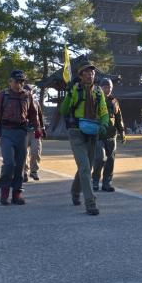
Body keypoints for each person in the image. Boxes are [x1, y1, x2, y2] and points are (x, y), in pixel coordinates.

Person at [0, 70, 43, 206]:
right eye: (17, 81)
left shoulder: (27, 96)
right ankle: (4, 192)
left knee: (20, 164)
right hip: (6, 133)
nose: (20, 84)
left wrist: (38, 129)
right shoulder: (2, 95)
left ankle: (17, 194)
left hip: (21, 132)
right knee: (9, 162)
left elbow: (33, 115)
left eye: (22, 81)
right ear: (10, 82)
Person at [59, 62, 108, 215]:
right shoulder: (74, 90)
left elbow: (104, 112)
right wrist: (67, 95)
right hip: (76, 132)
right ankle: (90, 202)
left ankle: (75, 191)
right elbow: (64, 110)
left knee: (87, 167)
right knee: (86, 168)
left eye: (92, 73)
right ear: (80, 76)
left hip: (93, 132)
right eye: (86, 73)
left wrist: (105, 124)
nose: (90, 75)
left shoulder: (99, 92)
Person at [92, 78, 126, 192]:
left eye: (110, 87)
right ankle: (95, 181)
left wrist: (122, 131)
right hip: (98, 134)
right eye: (105, 87)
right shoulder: (94, 98)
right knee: (100, 158)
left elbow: (118, 117)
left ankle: (107, 183)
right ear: (100, 87)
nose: (107, 89)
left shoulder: (114, 101)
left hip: (111, 134)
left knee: (110, 160)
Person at [23, 84, 45, 182]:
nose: (28, 92)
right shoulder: (21, 102)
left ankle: (34, 171)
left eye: (30, 90)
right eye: (26, 90)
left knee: (36, 151)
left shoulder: (36, 103)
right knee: (23, 153)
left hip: (35, 131)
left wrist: (42, 129)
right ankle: (24, 171)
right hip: (23, 131)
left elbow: (40, 116)